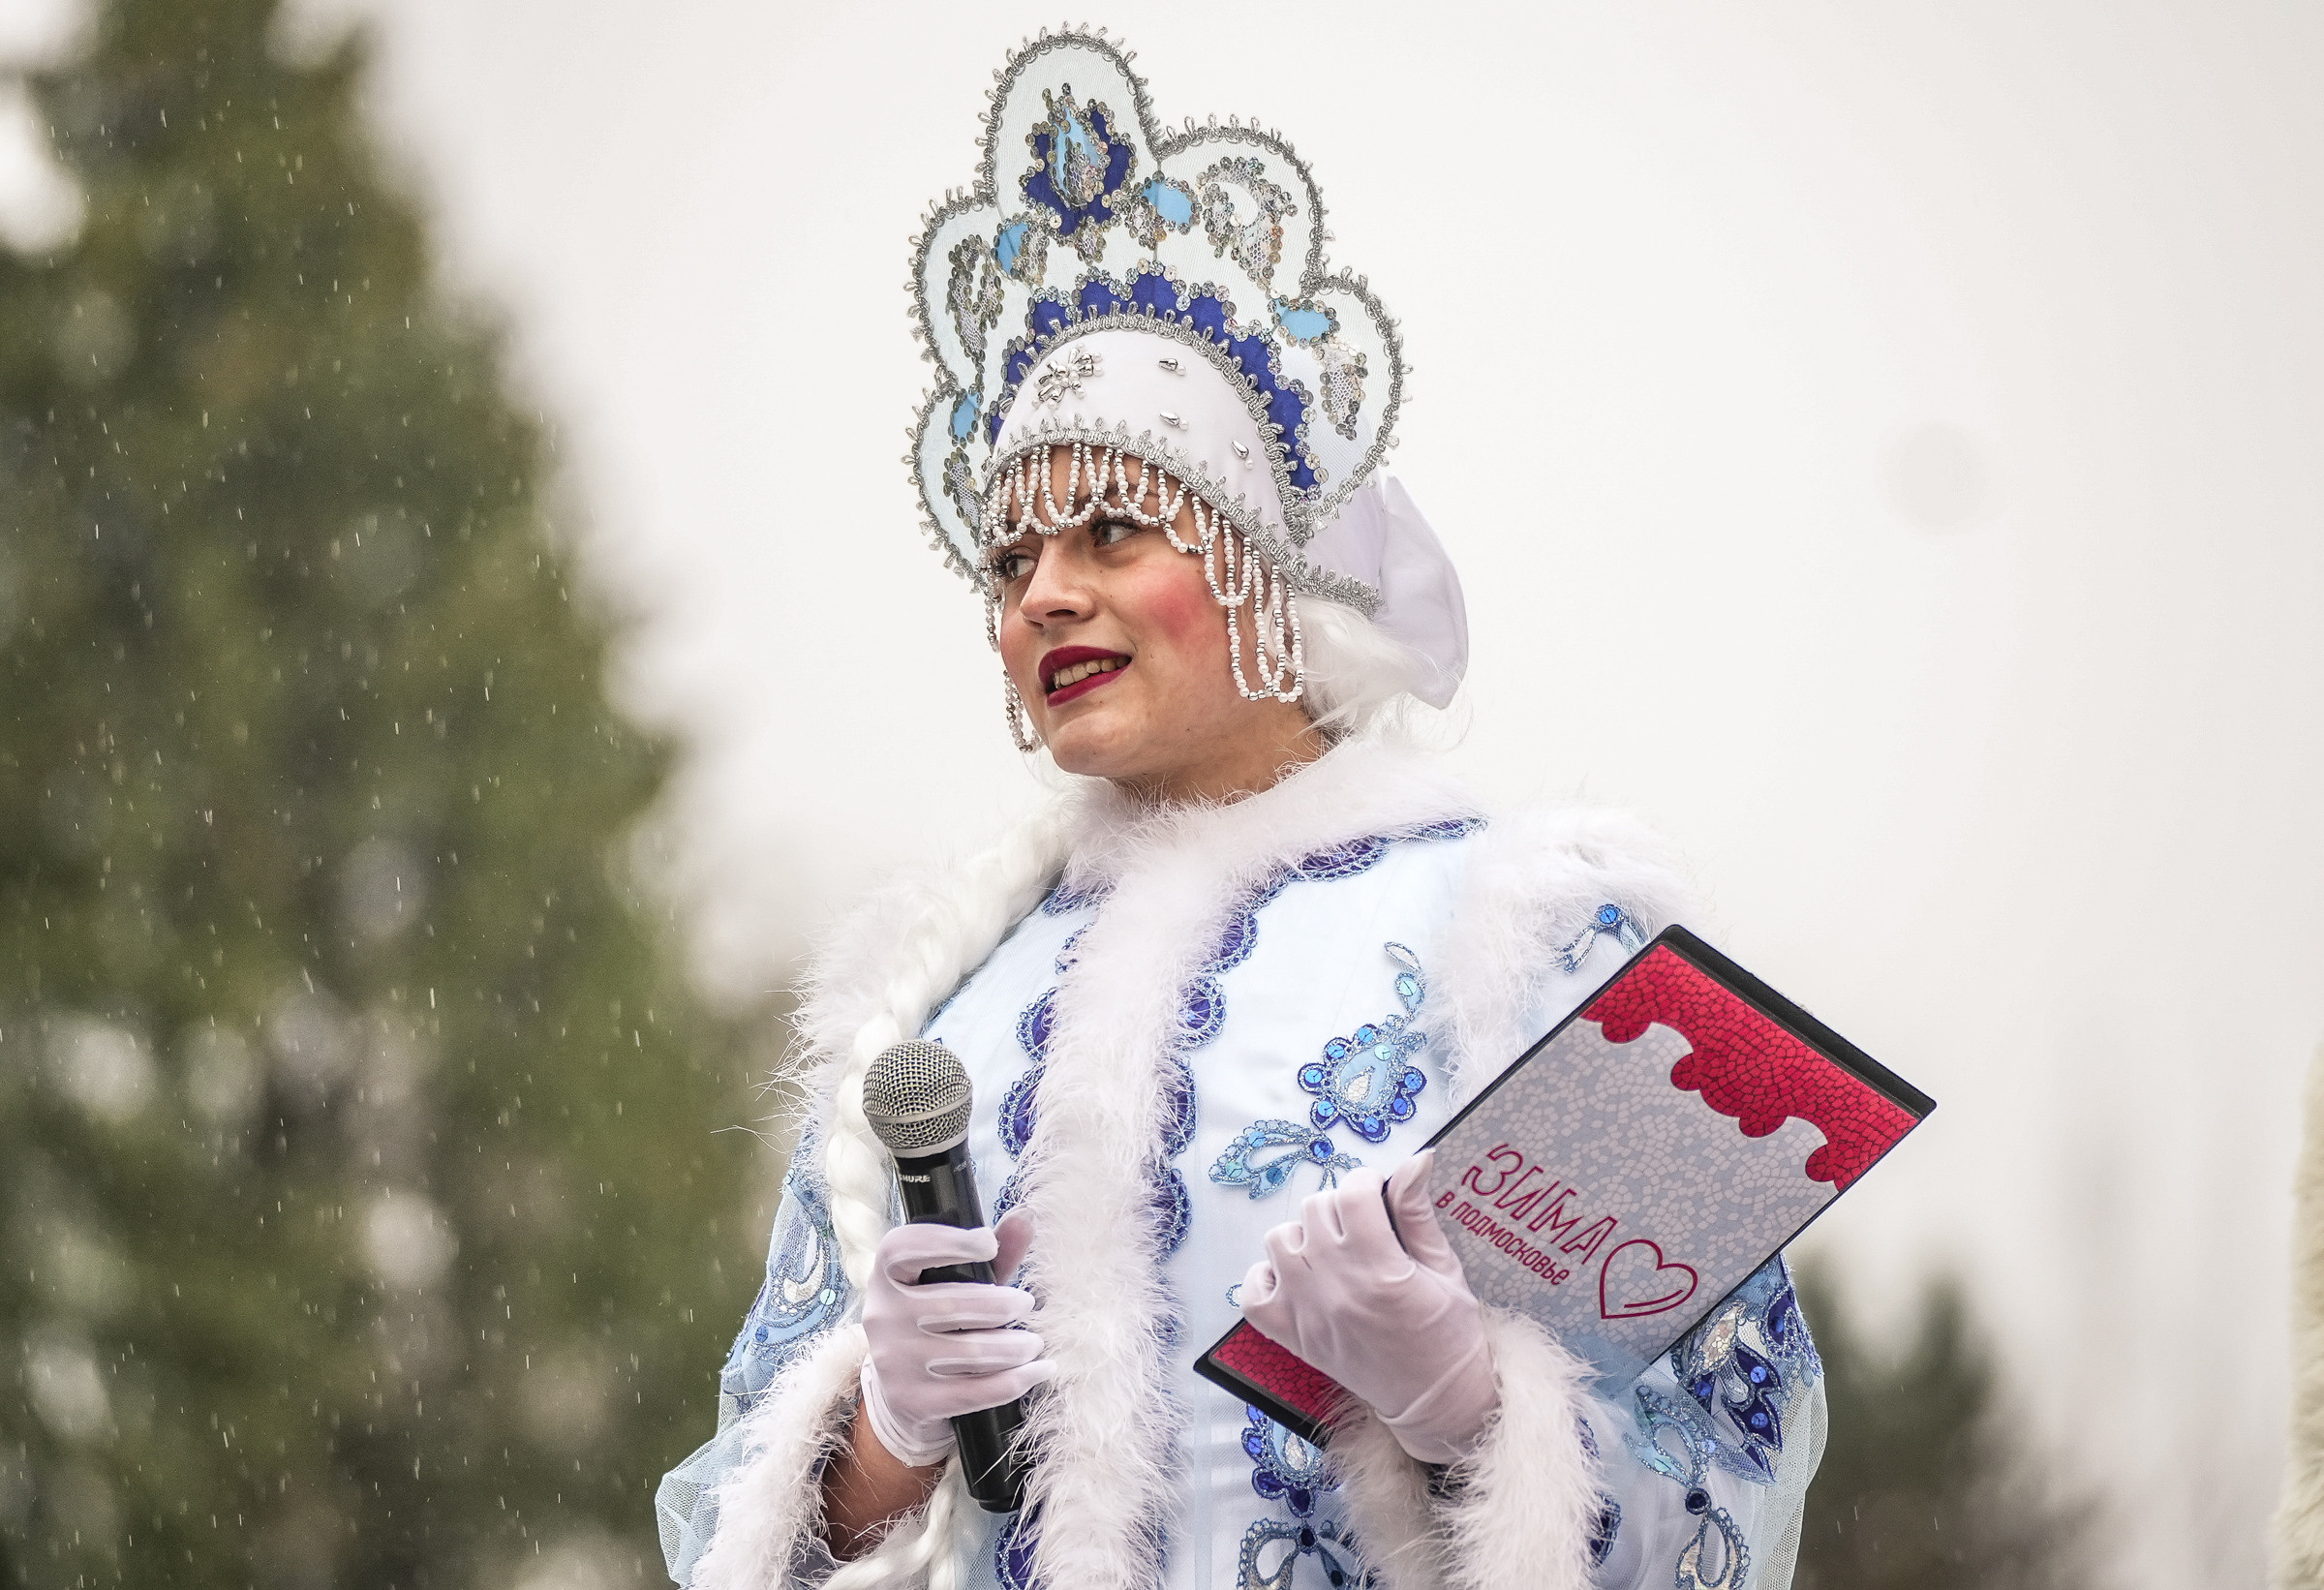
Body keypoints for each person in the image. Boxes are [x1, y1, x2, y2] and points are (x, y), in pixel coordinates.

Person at [657, 29, 1824, 1590]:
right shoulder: (921, 1011)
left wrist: (1470, 1411)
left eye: (1114, 525)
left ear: (1267, 575)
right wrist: (875, 1436)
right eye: (1009, 563)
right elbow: (727, 1522)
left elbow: (1743, 1464)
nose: (1044, 595)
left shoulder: (1562, 925)